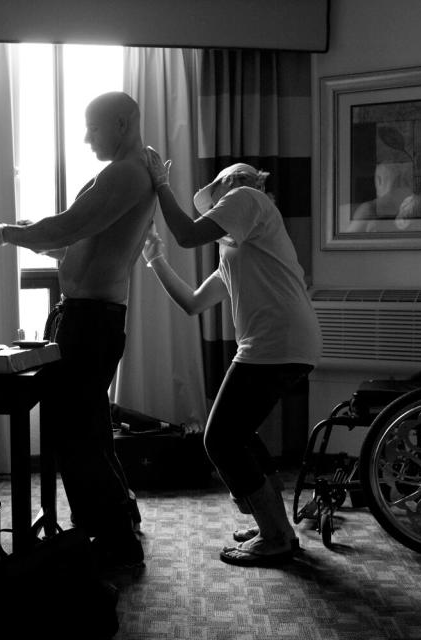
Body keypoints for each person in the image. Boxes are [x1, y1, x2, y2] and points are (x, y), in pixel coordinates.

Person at [0, 91, 155, 568]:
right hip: (90, 317)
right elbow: (74, 242)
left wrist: (4, 232)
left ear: (122, 122)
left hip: (91, 321)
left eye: (93, 127)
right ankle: (120, 521)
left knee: (74, 434)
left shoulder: (125, 173)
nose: (86, 136)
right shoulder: (130, 173)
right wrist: (27, 235)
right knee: (88, 429)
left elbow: (68, 228)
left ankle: (115, 541)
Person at [140, 146, 321, 567]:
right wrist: (156, 260)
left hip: (276, 343)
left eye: (246, 179)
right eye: (231, 180)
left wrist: (160, 183)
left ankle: (276, 535)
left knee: (219, 438)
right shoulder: (237, 252)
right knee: (239, 435)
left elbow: (186, 233)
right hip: (284, 343)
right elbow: (192, 302)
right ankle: (272, 525)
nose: (240, 184)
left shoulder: (249, 200)